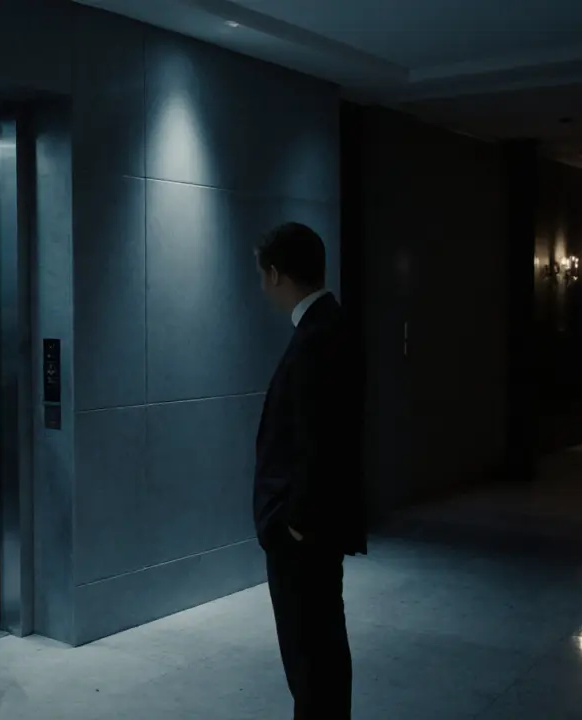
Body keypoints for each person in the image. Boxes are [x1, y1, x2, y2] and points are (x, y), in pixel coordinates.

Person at [252, 222, 367, 719]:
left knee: (310, 660)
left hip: (304, 536)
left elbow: (322, 442)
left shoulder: (318, 337)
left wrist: (293, 524)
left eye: (262, 274)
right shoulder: (328, 326)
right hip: (312, 530)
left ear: (276, 274)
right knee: (320, 654)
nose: (262, 285)